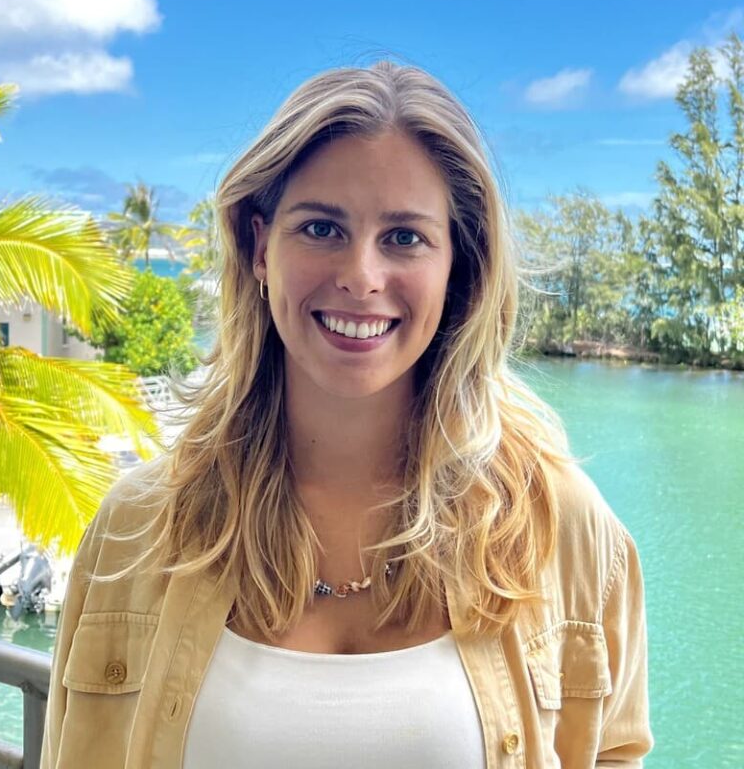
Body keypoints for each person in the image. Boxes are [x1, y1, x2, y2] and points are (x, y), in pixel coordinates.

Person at [40, 62, 652, 769]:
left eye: (405, 237)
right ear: (259, 245)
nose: (361, 275)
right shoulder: (135, 532)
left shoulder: (562, 529)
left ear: (462, 265)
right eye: (322, 227)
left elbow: (613, 752)